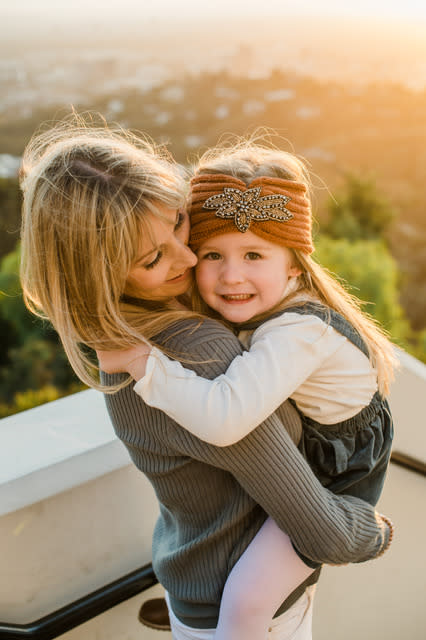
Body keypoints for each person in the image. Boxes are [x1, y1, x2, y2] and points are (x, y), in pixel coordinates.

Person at [20, 117, 393, 640]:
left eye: (178, 223)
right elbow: (326, 532)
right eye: (154, 257)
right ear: (101, 274)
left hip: (190, 578)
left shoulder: (121, 335)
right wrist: (376, 532)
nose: (192, 257)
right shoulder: (199, 355)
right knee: (245, 605)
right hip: (237, 607)